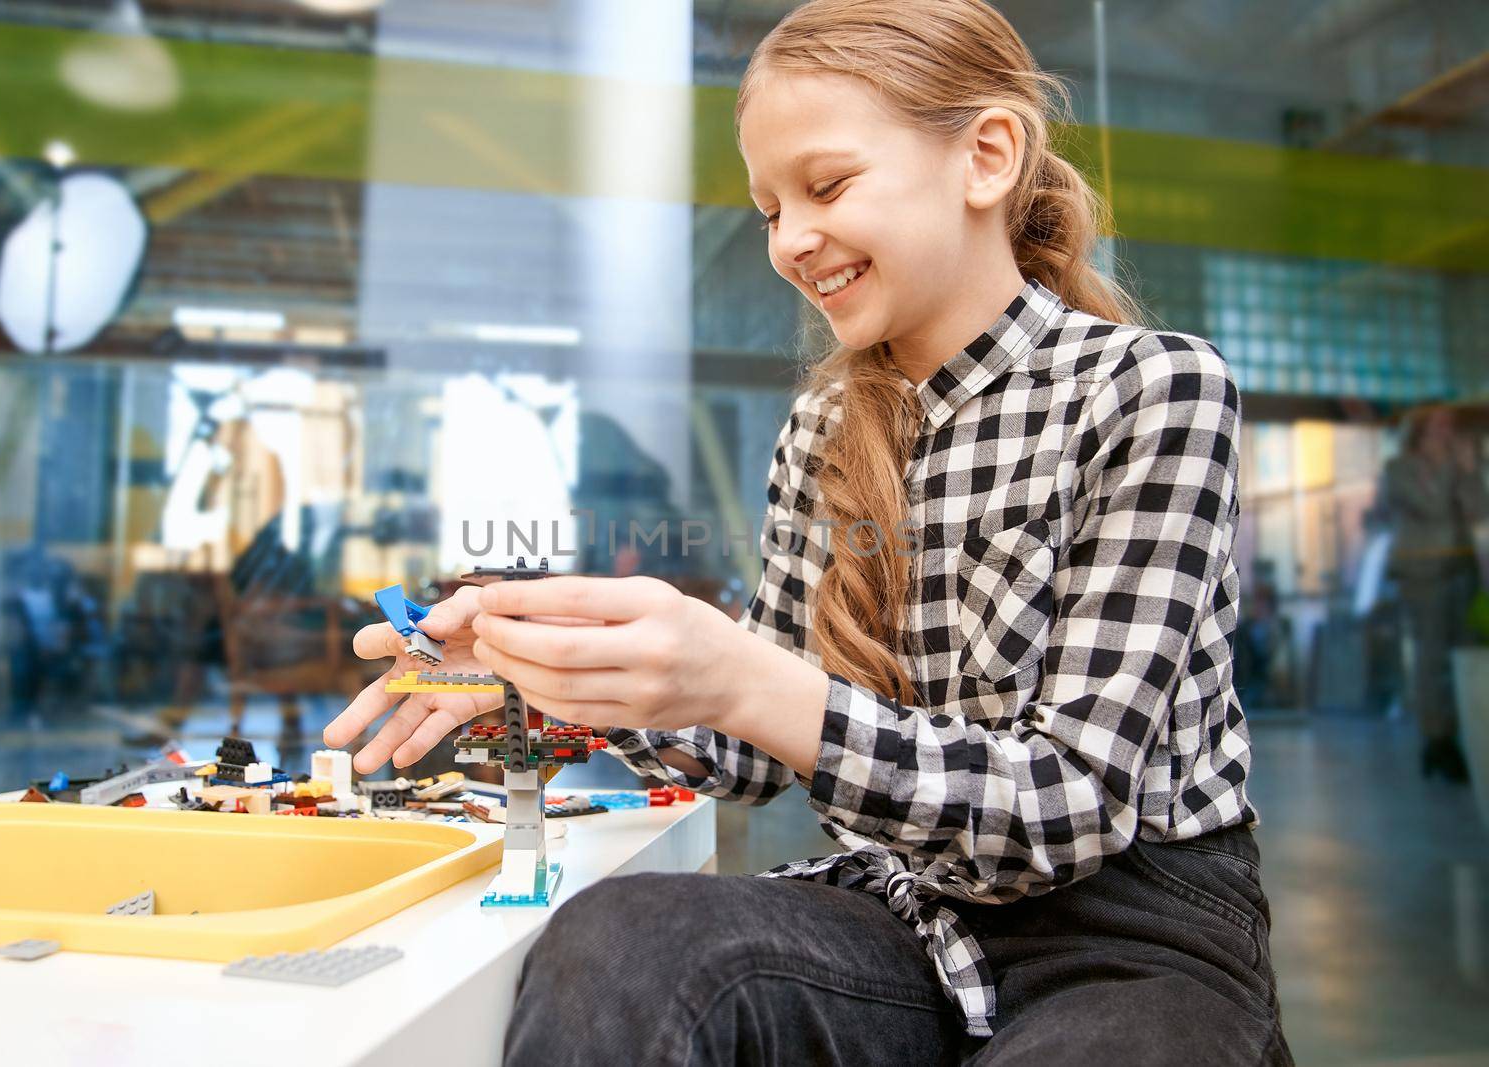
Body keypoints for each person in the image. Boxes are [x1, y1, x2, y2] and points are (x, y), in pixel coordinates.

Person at [325, 1, 1287, 1062]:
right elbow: (743, 750)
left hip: (1130, 941)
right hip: (905, 917)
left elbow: (1064, 803)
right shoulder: (823, 428)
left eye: (824, 187)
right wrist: (545, 670)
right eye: (769, 207)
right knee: (623, 941)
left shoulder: (1153, 389)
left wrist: (743, 676)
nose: (789, 240)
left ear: (986, 155)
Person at [1381, 406, 1487, 782]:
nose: (1448, 430)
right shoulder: (1400, 470)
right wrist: (1449, 469)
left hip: (1461, 569)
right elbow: (1432, 506)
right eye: (1440, 424)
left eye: (1450, 424)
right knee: (1431, 655)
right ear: (1421, 430)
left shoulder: (1461, 464)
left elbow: (1479, 510)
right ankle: (1437, 738)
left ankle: (1463, 732)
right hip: (1421, 571)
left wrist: (1471, 471)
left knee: (1465, 654)